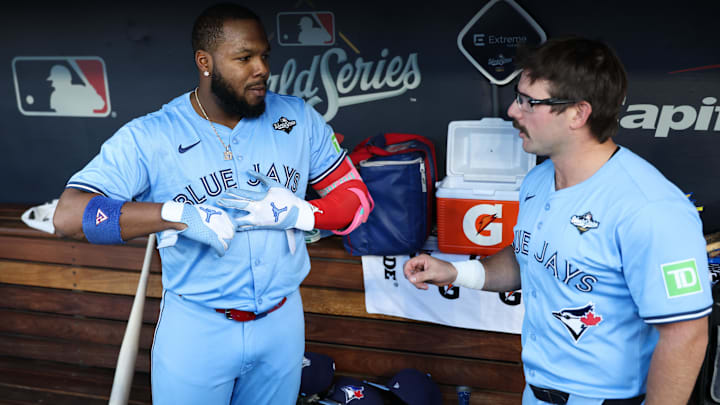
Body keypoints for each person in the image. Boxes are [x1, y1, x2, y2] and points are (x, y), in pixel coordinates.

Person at [52, 3, 372, 405]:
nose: (261, 69)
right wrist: (174, 214)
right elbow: (68, 216)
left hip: (282, 321)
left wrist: (304, 211)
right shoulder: (153, 134)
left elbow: (358, 200)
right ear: (205, 62)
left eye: (264, 56)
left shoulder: (296, 118)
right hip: (197, 327)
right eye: (244, 58)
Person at [404, 37, 712, 405]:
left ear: (578, 114)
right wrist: (456, 273)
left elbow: (686, 335)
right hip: (536, 393)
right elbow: (527, 256)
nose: (514, 112)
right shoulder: (537, 180)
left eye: (528, 102)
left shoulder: (650, 207)